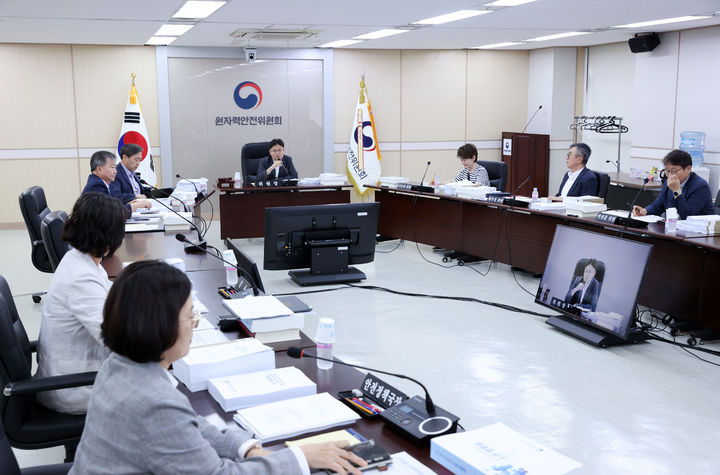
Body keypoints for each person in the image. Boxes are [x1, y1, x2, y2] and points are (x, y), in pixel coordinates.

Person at [70, 260, 367, 475]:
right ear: (160, 327)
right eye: (191, 316)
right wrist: (300, 457)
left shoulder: (119, 363)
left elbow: (188, 425)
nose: (195, 324)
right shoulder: (154, 403)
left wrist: (247, 447)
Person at [35, 192, 127, 414]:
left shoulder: (80, 258)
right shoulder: (81, 277)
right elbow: (117, 340)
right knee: (166, 385)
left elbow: (107, 298)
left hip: (74, 370)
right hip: (72, 387)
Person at [633, 149, 714, 220]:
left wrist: (676, 191)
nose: (669, 175)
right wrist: (645, 211)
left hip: (697, 234)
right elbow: (657, 206)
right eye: (667, 171)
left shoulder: (700, 186)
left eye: (673, 171)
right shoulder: (668, 182)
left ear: (688, 169)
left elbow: (687, 216)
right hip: (673, 229)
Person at [82, 150, 151, 212]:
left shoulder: (103, 183)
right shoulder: (96, 186)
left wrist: (128, 204)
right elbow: (110, 213)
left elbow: (111, 206)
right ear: (99, 169)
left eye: (115, 167)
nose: (115, 171)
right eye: (112, 167)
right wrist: (135, 206)